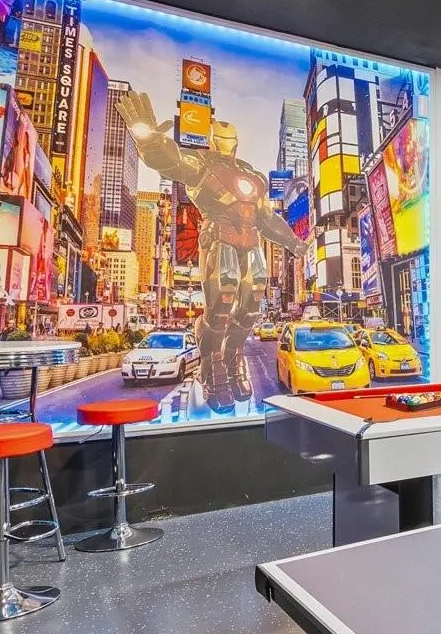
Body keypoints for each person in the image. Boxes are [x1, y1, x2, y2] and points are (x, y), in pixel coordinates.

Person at [116, 91, 305, 410]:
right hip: (219, 238)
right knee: (221, 303)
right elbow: (173, 161)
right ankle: (212, 364)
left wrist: (294, 242)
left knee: (252, 304)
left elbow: (267, 218)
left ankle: (231, 357)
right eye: (223, 138)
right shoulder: (202, 162)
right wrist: (150, 141)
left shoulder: (253, 176)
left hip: (250, 243)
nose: (227, 143)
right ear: (215, 139)